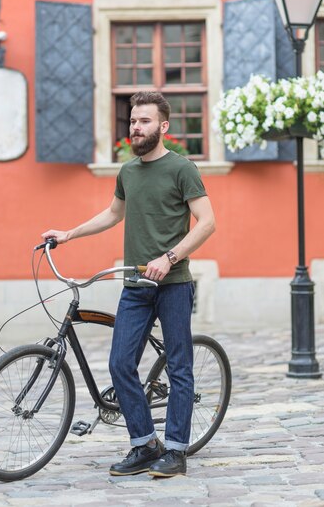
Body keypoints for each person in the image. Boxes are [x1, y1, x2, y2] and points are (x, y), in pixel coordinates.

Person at [41, 91, 215, 478]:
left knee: (180, 367)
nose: (136, 127)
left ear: (163, 126)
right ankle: (144, 444)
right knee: (120, 363)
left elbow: (206, 222)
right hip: (136, 285)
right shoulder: (128, 171)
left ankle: (176, 451)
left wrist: (169, 258)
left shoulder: (182, 168)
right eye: (133, 121)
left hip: (173, 283)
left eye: (145, 121)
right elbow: (113, 213)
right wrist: (69, 234)